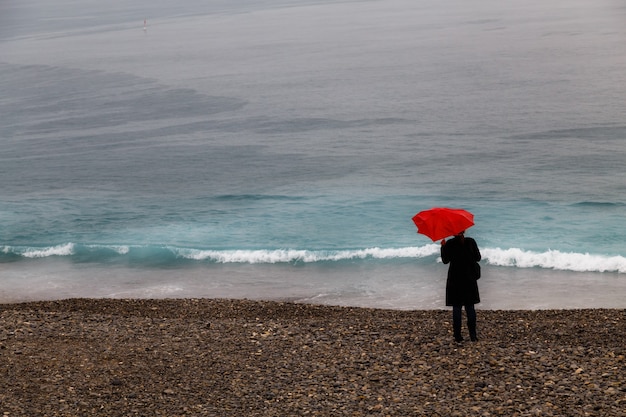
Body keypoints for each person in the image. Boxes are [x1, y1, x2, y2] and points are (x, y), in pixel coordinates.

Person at [441, 231, 481, 343]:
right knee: (470, 307)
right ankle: (473, 336)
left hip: (455, 279)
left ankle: (457, 336)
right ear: (464, 230)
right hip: (469, 279)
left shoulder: (449, 244)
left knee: (457, 308)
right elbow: (478, 258)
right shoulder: (471, 241)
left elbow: (445, 261)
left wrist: (443, 247)